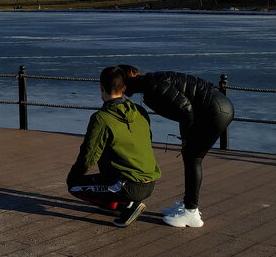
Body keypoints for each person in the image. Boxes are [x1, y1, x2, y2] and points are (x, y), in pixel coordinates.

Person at [118, 65, 234, 228]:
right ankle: (188, 204)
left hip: (215, 111)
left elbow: (185, 110)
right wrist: (185, 137)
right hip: (212, 108)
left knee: (194, 158)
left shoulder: (153, 86)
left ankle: (191, 212)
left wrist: (186, 137)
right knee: (190, 156)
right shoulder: (151, 83)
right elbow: (183, 110)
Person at [66, 65, 160, 227]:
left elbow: (89, 154)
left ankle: (127, 206)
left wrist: (74, 176)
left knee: (74, 186)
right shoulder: (140, 111)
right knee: (111, 156)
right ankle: (114, 205)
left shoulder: (101, 118)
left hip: (129, 186)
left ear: (101, 86)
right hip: (150, 181)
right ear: (124, 87)